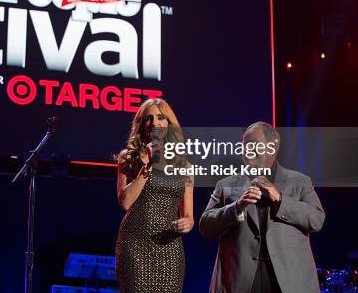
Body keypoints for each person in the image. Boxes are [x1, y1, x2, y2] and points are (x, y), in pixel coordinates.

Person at [199, 121, 325, 293]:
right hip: (240, 282)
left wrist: (280, 199)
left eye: (253, 144)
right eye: (244, 145)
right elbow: (205, 226)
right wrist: (237, 207)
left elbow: (316, 220)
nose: (247, 150)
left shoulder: (299, 181)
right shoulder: (226, 184)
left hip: (288, 282)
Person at [115, 98, 194, 293]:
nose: (155, 123)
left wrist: (187, 224)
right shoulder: (128, 157)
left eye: (160, 117)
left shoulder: (185, 166)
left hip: (169, 246)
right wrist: (148, 165)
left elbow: (189, 216)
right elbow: (125, 202)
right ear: (142, 125)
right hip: (135, 244)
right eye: (148, 119)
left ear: (169, 123)